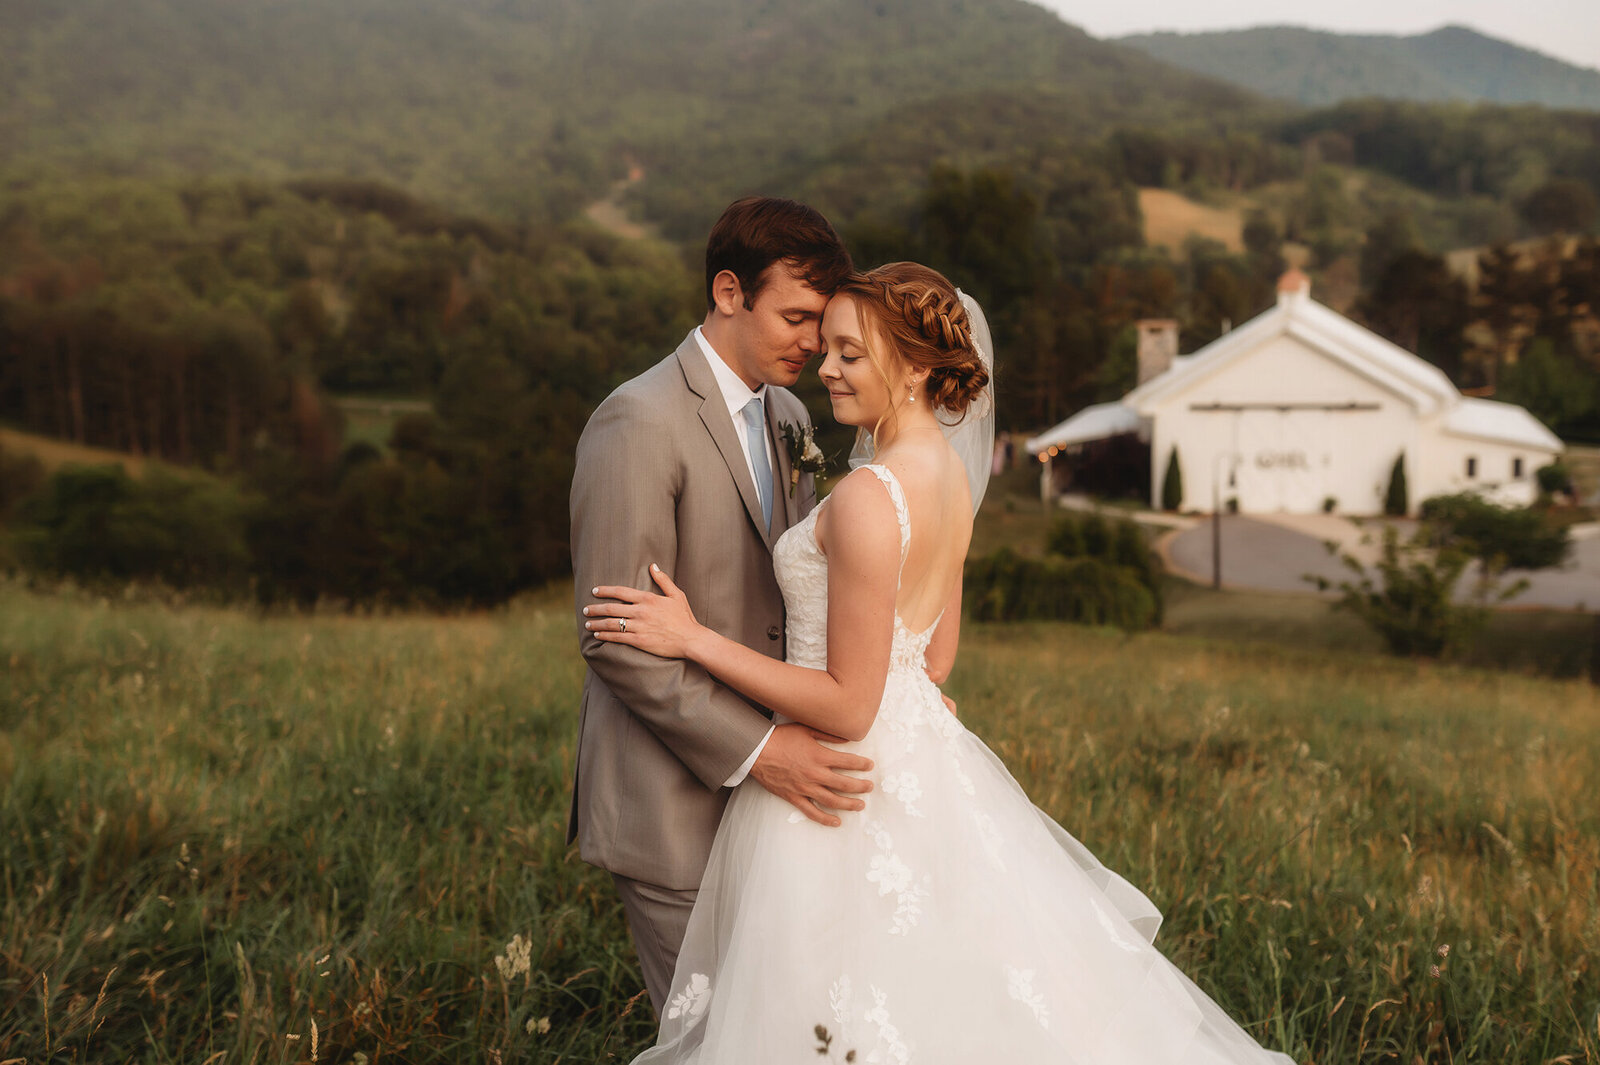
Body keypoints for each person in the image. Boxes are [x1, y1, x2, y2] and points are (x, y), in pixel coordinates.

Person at [584, 262, 1297, 1064]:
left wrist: (695, 639)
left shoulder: (867, 495)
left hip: (839, 777)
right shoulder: (951, 479)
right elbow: (936, 656)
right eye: (829, 349)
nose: (827, 368)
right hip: (919, 760)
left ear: (917, 366)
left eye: (852, 354)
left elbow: (850, 705)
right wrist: (899, 690)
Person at [568, 196, 877, 1016]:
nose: (814, 345)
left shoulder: (790, 415)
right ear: (730, 292)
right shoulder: (636, 420)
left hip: (774, 807)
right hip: (670, 803)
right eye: (797, 317)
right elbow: (615, 639)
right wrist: (763, 749)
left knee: (781, 1024)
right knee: (710, 1037)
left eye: (822, 323)